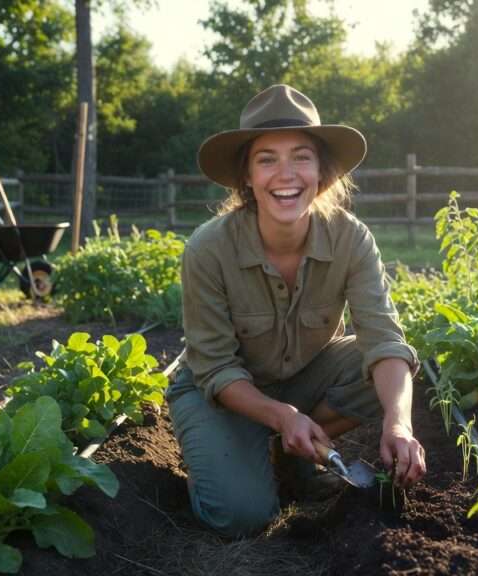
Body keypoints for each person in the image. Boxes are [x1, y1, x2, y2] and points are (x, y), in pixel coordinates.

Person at [167, 84, 425, 538]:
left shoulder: (350, 238)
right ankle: (247, 452)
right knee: (242, 516)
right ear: (247, 176)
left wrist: (399, 424)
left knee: (386, 371)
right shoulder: (208, 249)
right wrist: (282, 416)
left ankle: (290, 458)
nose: (286, 174)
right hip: (224, 394)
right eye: (267, 159)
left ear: (321, 171)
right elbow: (216, 369)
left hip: (304, 375)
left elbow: (383, 339)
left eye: (301, 157)